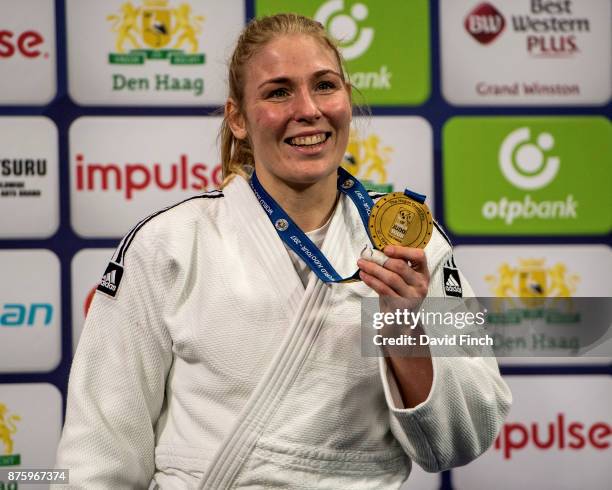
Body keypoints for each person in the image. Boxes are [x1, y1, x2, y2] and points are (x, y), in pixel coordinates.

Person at [56, 13, 511, 489]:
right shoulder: (168, 243)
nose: (308, 109)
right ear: (237, 118)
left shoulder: (410, 243)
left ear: (347, 100)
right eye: (278, 92)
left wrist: (403, 328)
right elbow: (98, 452)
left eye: (325, 86)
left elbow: (463, 439)